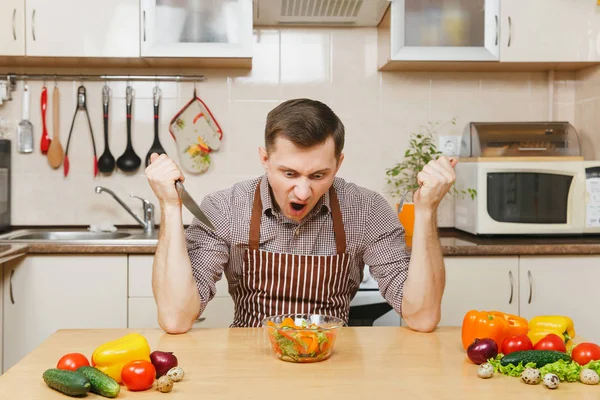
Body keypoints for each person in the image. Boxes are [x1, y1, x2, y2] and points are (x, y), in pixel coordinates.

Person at [145, 98, 456, 334]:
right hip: (248, 364)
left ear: (339, 163)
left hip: (334, 363)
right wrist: (170, 207)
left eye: (319, 175)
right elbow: (175, 318)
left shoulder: (366, 210)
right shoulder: (225, 208)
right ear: (265, 159)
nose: (303, 192)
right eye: (289, 173)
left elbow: (422, 316)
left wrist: (427, 210)